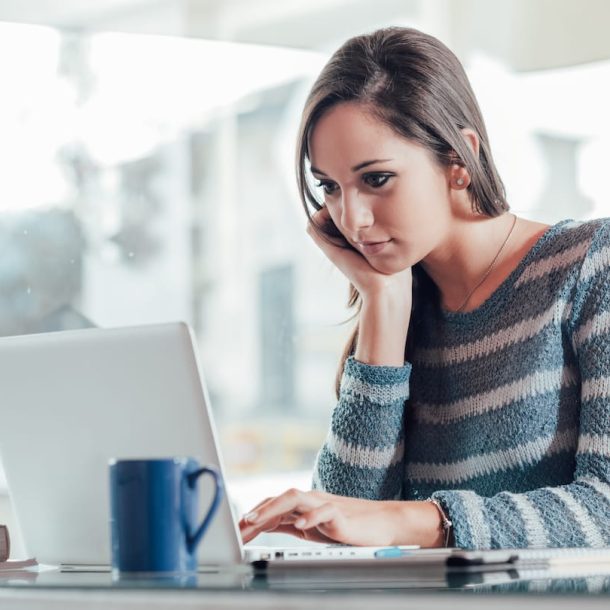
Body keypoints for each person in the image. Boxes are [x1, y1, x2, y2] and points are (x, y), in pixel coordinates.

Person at [239, 26, 610, 549]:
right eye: (330, 187)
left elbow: (606, 508)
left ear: (459, 161)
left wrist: (422, 520)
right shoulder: (401, 305)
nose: (353, 218)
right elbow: (347, 519)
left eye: (376, 179)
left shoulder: (593, 266)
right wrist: (383, 305)